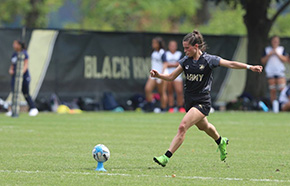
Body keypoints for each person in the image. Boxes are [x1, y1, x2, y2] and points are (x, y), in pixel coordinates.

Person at [151, 30, 263, 167]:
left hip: (202, 102)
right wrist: (158, 76)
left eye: (187, 48)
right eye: (184, 47)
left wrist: (250, 67)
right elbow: (171, 77)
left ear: (196, 47)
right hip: (190, 101)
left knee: (182, 127)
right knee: (204, 127)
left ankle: (166, 157)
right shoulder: (185, 61)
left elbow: (231, 64)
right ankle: (220, 140)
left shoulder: (209, 60)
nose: (185, 50)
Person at [6, 40, 38, 117]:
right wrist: (11, 70)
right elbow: (12, 64)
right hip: (15, 77)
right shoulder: (14, 54)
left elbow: (26, 65)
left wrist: (20, 73)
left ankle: (33, 108)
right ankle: (13, 109)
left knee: (25, 93)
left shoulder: (24, 53)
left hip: (24, 77)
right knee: (15, 93)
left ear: (19, 45)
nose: (13, 45)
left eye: (15, 44)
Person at [261, 36, 289, 103]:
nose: (275, 42)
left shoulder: (281, 49)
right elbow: (263, 61)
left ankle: (282, 104)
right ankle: (273, 106)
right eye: (274, 41)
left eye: (276, 41)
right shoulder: (267, 50)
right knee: (272, 90)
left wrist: (277, 54)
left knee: (282, 89)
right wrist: (269, 54)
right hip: (270, 72)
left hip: (280, 72)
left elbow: (286, 59)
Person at [144, 37, 167, 112]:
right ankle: (151, 106)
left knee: (161, 92)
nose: (153, 44)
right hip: (153, 74)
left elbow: (165, 64)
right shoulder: (154, 52)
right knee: (147, 89)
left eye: (155, 43)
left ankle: (163, 108)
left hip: (161, 74)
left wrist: (161, 75)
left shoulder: (162, 52)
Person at [164, 40, 185, 113]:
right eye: (171, 45)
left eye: (174, 45)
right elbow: (165, 64)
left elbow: (180, 64)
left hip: (178, 75)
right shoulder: (166, 54)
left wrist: (171, 64)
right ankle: (171, 107)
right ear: (169, 46)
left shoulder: (179, 54)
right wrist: (174, 64)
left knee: (179, 91)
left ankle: (180, 106)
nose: (172, 47)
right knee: (170, 91)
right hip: (168, 75)